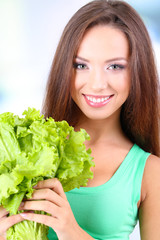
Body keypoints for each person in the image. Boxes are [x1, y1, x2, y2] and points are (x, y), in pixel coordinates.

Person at [0, 0, 160, 239]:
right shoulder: (23, 148)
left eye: (115, 66)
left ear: (138, 72)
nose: (97, 84)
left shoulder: (149, 172)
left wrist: (70, 230)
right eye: (81, 65)